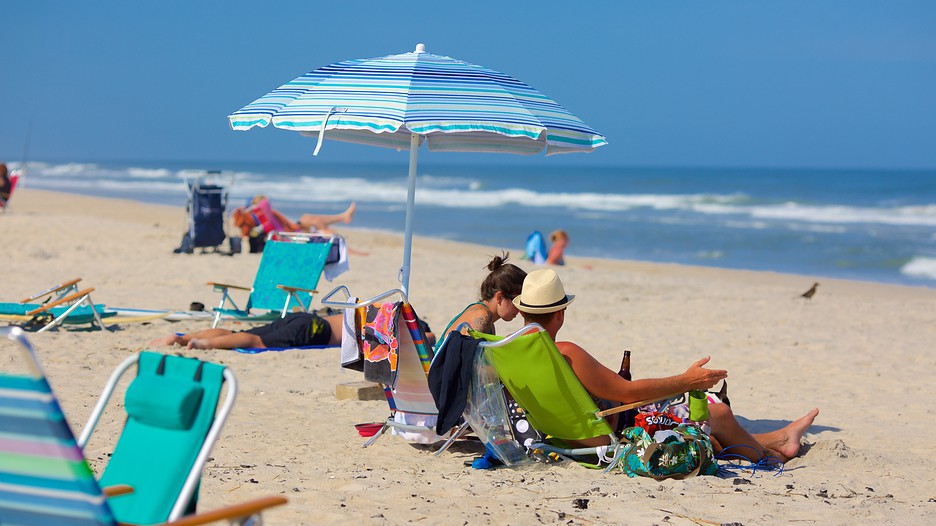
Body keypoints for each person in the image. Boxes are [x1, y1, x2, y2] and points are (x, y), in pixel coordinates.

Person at [512, 268, 819, 463]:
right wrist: (687, 381)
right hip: (612, 437)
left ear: (523, 312)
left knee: (710, 432)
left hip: (568, 438)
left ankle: (778, 438)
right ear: (561, 314)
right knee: (717, 411)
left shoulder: (509, 352)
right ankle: (768, 455)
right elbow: (628, 393)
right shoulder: (565, 352)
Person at [435, 252, 527, 350]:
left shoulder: (489, 323)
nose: (520, 309)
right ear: (499, 297)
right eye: (517, 301)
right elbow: (465, 357)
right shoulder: (481, 316)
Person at [150, 311, 343, 350]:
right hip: (316, 329)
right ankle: (202, 343)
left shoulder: (367, 310)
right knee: (256, 342)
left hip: (307, 318)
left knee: (240, 335)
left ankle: (184, 338)